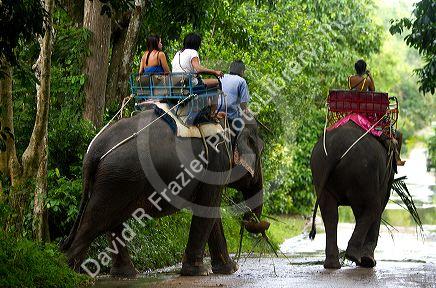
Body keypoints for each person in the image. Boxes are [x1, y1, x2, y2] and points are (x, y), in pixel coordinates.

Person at [171, 33, 224, 119]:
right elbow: (198, 69)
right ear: (197, 44)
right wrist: (215, 72)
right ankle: (212, 113)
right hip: (189, 85)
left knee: (204, 81)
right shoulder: (193, 52)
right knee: (216, 82)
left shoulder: (178, 53)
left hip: (177, 83)